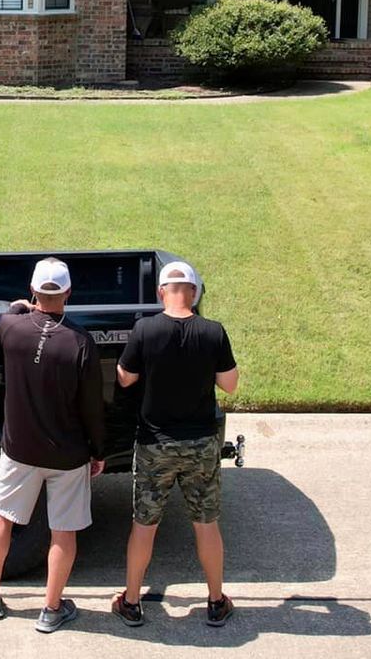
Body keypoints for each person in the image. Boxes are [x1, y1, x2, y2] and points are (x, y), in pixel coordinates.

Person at [0, 257, 106, 634]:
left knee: (1, 516)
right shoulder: (80, 342)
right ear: (68, 292)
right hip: (67, 456)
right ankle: (51, 609)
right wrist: (98, 450)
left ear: (34, 290)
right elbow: (92, 408)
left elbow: (6, 317)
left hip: (19, 450)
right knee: (63, 532)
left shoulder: (12, 329)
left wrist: (22, 306)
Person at [111, 260, 239, 628]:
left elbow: (125, 378)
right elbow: (229, 384)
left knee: (143, 526)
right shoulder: (213, 332)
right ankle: (216, 600)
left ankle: (132, 601)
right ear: (195, 293)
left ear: (161, 292)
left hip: (155, 445)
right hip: (201, 445)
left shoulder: (145, 329)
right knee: (206, 524)